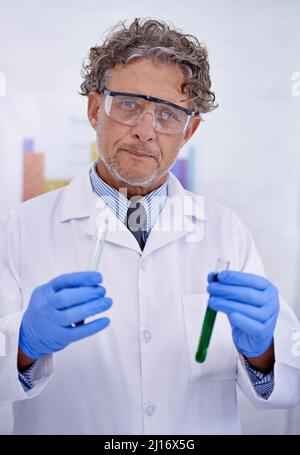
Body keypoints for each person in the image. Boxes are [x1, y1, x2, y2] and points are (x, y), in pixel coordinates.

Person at [0, 17, 299, 435]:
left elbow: (289, 383)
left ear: (189, 129)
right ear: (94, 109)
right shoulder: (18, 230)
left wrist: (264, 352)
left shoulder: (226, 232)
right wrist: (23, 348)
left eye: (167, 114)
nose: (144, 131)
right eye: (127, 104)